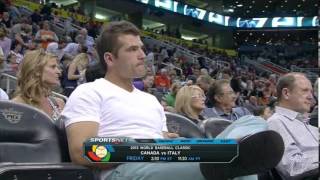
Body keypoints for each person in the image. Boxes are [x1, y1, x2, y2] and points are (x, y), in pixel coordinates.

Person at [61, 21, 280, 180]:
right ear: (109, 58)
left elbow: (161, 138)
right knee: (233, 165)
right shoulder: (90, 91)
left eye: (142, 48)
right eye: (132, 49)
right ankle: (220, 158)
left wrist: (164, 142)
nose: (142, 55)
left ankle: (223, 156)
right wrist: (144, 147)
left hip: (167, 154)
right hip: (128, 166)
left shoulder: (150, 100)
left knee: (254, 123)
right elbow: (82, 151)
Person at [268, 73, 319, 179]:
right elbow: (293, 168)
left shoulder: (305, 122)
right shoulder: (276, 122)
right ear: (286, 93)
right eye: (305, 91)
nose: (311, 97)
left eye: (311, 91)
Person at [12, 49, 64, 121]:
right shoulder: (15, 105)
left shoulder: (59, 103)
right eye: (53, 67)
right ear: (37, 70)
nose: (59, 72)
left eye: (57, 67)